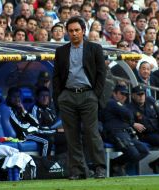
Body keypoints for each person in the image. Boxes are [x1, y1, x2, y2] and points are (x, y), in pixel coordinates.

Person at [53, 16, 106, 180]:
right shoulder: (61, 51)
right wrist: (59, 97)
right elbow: (56, 77)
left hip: (88, 94)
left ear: (83, 31)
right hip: (67, 96)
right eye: (71, 31)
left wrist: (95, 95)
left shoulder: (95, 48)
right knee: (71, 135)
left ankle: (100, 168)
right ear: (67, 33)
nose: (74, 33)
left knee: (92, 133)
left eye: (77, 30)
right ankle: (77, 170)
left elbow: (101, 74)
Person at [101, 85, 149, 176]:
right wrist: (127, 114)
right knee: (134, 154)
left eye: (126, 94)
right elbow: (128, 114)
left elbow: (129, 116)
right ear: (114, 93)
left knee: (144, 150)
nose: (124, 96)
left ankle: (116, 164)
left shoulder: (121, 105)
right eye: (121, 93)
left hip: (126, 133)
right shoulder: (111, 102)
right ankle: (114, 165)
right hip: (115, 132)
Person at [128, 85, 159, 174]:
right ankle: (156, 163)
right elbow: (125, 121)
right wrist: (133, 124)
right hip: (146, 135)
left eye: (143, 94)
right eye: (139, 94)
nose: (141, 96)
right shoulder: (130, 107)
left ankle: (156, 163)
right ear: (133, 95)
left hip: (158, 131)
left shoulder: (151, 101)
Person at [5, 87, 49, 157]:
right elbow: (20, 126)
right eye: (14, 97)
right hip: (23, 136)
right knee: (46, 141)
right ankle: (43, 163)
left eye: (18, 97)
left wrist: (24, 110)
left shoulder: (20, 109)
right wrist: (30, 125)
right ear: (9, 97)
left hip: (29, 133)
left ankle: (47, 163)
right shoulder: (9, 110)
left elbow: (36, 122)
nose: (17, 99)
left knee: (50, 137)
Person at [31, 86, 67, 155]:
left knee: (68, 136)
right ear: (37, 97)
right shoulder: (35, 109)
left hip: (50, 133)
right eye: (42, 96)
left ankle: (60, 161)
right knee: (49, 140)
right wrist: (56, 130)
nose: (45, 98)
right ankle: (45, 163)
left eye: (47, 96)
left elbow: (55, 124)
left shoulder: (49, 110)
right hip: (40, 134)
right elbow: (37, 129)